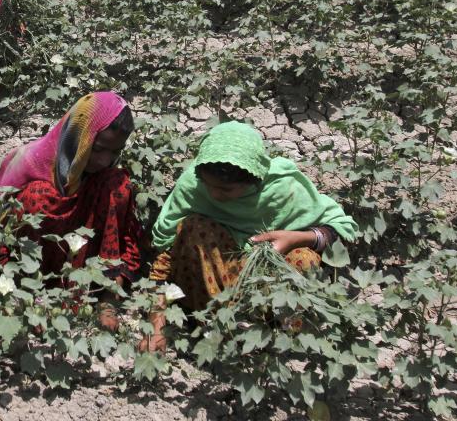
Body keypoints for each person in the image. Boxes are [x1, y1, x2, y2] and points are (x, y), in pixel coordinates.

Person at [142, 121, 358, 351]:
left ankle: (272, 334)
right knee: (195, 228)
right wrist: (156, 325)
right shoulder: (193, 186)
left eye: (226, 190)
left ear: (254, 179)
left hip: (264, 285)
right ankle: (216, 326)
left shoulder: (282, 189)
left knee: (303, 258)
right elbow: (166, 256)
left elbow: (340, 230)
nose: (214, 195)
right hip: (209, 288)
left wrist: (296, 238)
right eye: (208, 185)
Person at [0, 91, 144, 330]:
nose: (105, 160)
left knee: (118, 184)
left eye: (115, 152)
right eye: (97, 149)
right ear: (79, 136)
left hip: (85, 253)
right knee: (38, 196)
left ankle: (106, 292)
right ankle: (33, 293)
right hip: (40, 258)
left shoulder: (102, 175)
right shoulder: (30, 161)